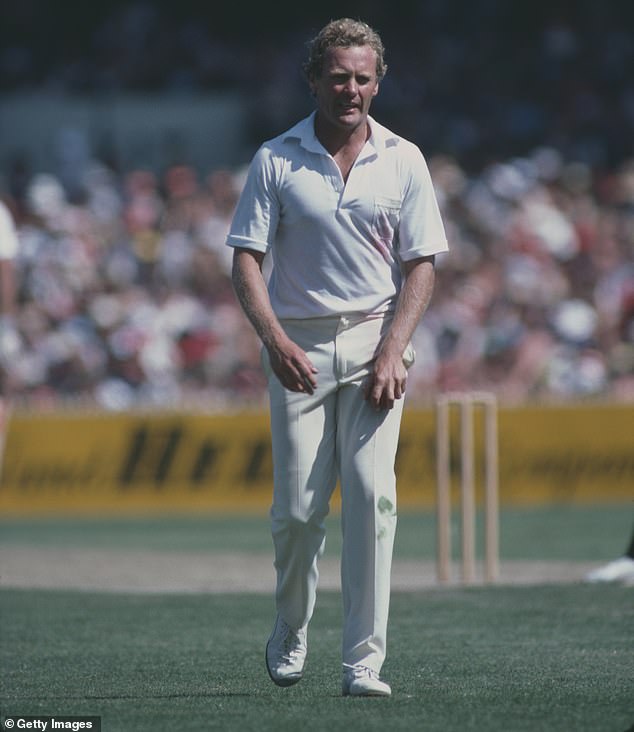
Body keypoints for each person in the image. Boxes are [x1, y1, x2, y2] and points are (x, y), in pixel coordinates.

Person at [227, 18, 448, 697]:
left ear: (378, 81)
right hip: (297, 343)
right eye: (338, 76)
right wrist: (275, 340)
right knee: (297, 512)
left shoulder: (404, 157)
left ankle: (364, 664)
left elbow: (421, 266)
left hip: (377, 341)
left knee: (375, 500)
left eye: (362, 77)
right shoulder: (276, 158)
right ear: (314, 80)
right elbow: (245, 260)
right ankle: (291, 627)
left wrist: (394, 347)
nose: (350, 89)